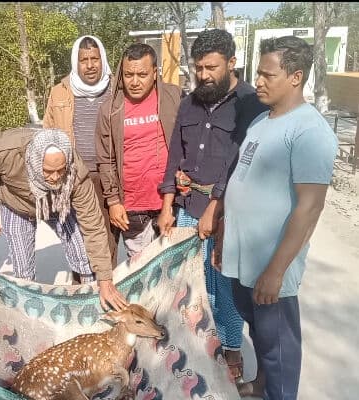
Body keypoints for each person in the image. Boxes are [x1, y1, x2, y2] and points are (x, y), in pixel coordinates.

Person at [219, 36, 337, 399]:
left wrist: (276, 271)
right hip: (246, 261)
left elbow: (310, 207)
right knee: (261, 336)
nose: (260, 81)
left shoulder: (309, 130)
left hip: (272, 268)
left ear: (296, 77)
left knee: (279, 351)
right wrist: (225, 235)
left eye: (269, 75)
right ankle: (261, 385)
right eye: (259, 73)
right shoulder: (262, 121)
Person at [158, 29, 268, 383]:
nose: (203, 74)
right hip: (189, 206)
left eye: (211, 67)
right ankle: (202, 348)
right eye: (198, 67)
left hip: (229, 213)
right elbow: (176, 153)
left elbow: (241, 162)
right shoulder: (190, 102)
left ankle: (232, 352)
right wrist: (167, 204)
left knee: (225, 287)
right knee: (194, 286)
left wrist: (215, 209)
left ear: (231, 62)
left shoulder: (252, 104)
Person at [0, 127, 127, 312]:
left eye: (60, 170)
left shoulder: (75, 172)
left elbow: (93, 225)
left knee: (83, 253)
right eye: (48, 171)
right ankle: (27, 312)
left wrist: (105, 279)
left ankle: (88, 302)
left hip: (57, 202)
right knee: (23, 269)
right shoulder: (3, 151)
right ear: (35, 162)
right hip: (16, 203)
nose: (55, 177)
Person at [95, 43, 181, 260]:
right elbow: (105, 160)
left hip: (170, 203)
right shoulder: (110, 110)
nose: (134, 81)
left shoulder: (174, 98)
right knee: (143, 271)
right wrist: (114, 202)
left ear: (154, 73)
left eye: (142, 74)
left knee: (172, 272)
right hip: (132, 209)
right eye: (128, 74)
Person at [43, 35, 118, 275]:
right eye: (84, 59)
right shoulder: (60, 92)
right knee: (77, 236)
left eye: (94, 58)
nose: (90, 65)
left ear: (102, 59)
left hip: (110, 175)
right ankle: (82, 286)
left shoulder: (117, 88)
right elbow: (48, 133)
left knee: (106, 236)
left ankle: (107, 287)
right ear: (76, 62)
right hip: (74, 176)